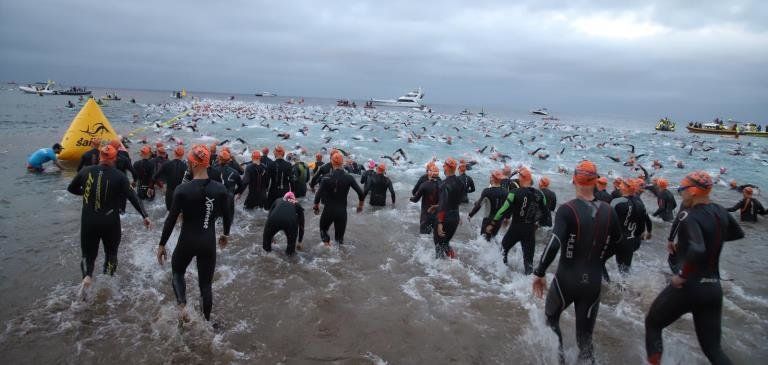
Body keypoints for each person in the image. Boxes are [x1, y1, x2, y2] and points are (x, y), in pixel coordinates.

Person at [645, 171, 744, 365]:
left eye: (682, 189)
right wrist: (711, 238)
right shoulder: (720, 211)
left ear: (693, 191)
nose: (680, 193)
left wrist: (682, 275)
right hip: (713, 289)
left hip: (689, 286)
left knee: (653, 323)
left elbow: (697, 250)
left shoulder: (690, 216)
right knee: (714, 350)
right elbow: (737, 233)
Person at [531, 160, 622, 363]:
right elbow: (618, 243)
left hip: (567, 279)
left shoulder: (567, 209)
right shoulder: (609, 210)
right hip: (593, 282)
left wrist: (539, 272)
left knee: (551, 319)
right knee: (585, 339)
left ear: (573, 179)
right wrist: (600, 258)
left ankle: (560, 360)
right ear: (596, 181)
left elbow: (554, 242)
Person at [156, 145, 232, 322]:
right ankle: (206, 322)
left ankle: (182, 306)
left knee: (177, 272)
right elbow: (227, 216)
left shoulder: (182, 190)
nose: (188, 163)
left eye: (190, 161)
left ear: (195, 164)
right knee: (206, 286)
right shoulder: (220, 189)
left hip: (187, 240)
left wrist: (162, 244)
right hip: (208, 241)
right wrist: (225, 234)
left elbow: (171, 220)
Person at [67, 145, 151, 296]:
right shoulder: (119, 176)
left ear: (100, 157)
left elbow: (71, 188)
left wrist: (86, 193)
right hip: (110, 222)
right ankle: (108, 283)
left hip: (89, 221)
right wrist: (145, 215)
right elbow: (133, 197)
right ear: (114, 159)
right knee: (111, 254)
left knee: (88, 255)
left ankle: (87, 276)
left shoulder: (86, 171)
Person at [487, 167, 549, 273]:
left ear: (521, 178)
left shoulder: (514, 193)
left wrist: (492, 223)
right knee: (528, 262)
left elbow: (503, 210)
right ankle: (527, 286)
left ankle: (502, 276)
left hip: (515, 229)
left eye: (519, 176)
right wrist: (537, 224)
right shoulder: (540, 194)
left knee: (503, 251)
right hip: (529, 230)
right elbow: (545, 213)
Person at [313, 152, 364, 246]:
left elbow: (318, 195)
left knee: (323, 231)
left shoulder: (326, 178)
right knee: (339, 240)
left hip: (328, 210)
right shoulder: (349, 177)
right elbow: (361, 193)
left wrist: (316, 206)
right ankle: (339, 257)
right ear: (342, 163)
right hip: (342, 212)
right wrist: (360, 206)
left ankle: (327, 247)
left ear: (332, 162)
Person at [605, 178, 651, 276]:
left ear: (626, 188)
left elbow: (607, 221)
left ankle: (608, 284)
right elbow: (641, 228)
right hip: (632, 242)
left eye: (622, 184)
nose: (620, 186)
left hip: (618, 241)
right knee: (624, 273)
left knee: (598, 261)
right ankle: (625, 289)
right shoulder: (640, 203)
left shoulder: (617, 201)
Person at [434, 158, 464, 259]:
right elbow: (457, 201)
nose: (442, 166)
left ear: (447, 167)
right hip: (455, 217)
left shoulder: (443, 184)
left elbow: (443, 204)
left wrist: (439, 223)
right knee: (445, 243)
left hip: (445, 218)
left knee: (438, 245)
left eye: (444, 165)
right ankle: (453, 262)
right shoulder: (460, 183)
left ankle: (440, 272)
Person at [468, 170, 507, 241]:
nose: (490, 177)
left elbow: (478, 206)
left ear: (493, 178)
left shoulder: (487, 191)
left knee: (483, 241)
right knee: (492, 240)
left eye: (491, 176)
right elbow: (506, 208)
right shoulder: (505, 192)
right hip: (498, 221)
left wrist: (470, 215)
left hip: (488, 220)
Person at [153, 145, 188, 211]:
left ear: (174, 153)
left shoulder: (166, 164)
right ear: (183, 154)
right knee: (179, 214)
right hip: (180, 194)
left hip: (169, 193)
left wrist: (159, 186)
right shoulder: (185, 167)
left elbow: (154, 177)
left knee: (169, 213)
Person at [411, 163, 441, 234]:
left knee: (424, 238)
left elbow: (415, 198)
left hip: (426, 214)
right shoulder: (442, 183)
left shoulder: (424, 184)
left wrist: (411, 198)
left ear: (429, 172)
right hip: (437, 216)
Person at [266, 145, 294, 210]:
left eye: (274, 152)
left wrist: (266, 189)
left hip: (273, 191)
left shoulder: (271, 164)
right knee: (283, 210)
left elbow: (267, 180)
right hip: (285, 191)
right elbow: (292, 180)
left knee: (270, 210)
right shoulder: (288, 165)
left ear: (276, 153)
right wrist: (292, 192)